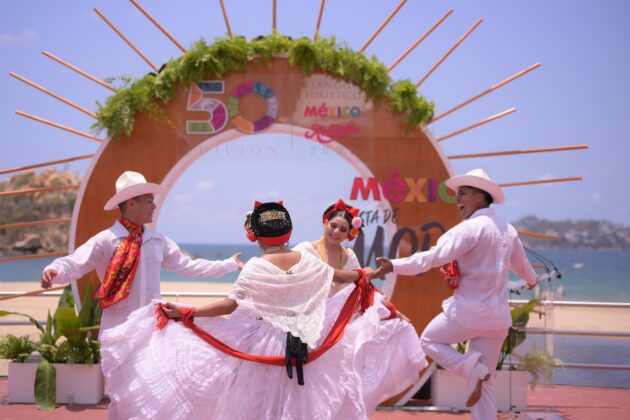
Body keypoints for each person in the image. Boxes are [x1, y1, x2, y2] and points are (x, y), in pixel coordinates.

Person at [99, 201, 427, 420]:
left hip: (266, 343)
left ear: (256, 237)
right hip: (307, 340)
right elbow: (345, 278)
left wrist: (185, 312)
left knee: (256, 407)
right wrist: (368, 276)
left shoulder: (257, 266)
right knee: (299, 406)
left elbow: (228, 305)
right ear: (288, 233)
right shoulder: (308, 260)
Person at [371, 169, 538, 420]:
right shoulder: (508, 230)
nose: (457, 198)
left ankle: (471, 368)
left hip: (468, 313)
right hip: (497, 320)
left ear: (480, 197)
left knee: (428, 341)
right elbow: (522, 265)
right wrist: (531, 280)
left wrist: (394, 265)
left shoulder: (468, 229)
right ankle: (476, 372)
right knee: (486, 383)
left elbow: (432, 257)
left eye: (463, 193)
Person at [40, 170, 243, 335]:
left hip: (152, 329)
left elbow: (189, 266)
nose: (154, 206)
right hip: (117, 330)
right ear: (131, 203)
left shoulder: (157, 241)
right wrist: (54, 270)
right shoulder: (106, 240)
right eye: (149, 201)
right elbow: (76, 262)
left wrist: (228, 264)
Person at [293, 198, 426, 406]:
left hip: (334, 327)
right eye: (333, 225)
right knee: (302, 380)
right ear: (324, 223)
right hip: (304, 323)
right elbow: (294, 276)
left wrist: (391, 311)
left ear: (349, 233)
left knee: (331, 382)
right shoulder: (305, 249)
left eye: (343, 229)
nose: (336, 232)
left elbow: (364, 288)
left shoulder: (349, 256)